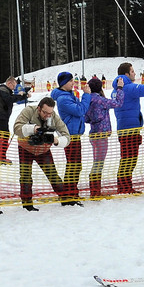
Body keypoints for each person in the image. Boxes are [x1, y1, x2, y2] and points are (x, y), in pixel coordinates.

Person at [13, 96, 70, 211]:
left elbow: (67, 136)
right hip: (26, 149)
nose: (48, 115)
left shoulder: (53, 117)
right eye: (45, 112)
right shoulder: (29, 111)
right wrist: (33, 129)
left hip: (43, 150)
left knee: (53, 175)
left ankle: (66, 199)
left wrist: (56, 140)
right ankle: (27, 204)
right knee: (25, 177)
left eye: (50, 113)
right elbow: (16, 128)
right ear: (39, 108)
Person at [112, 63, 144, 194]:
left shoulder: (117, 89)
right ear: (126, 74)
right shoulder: (128, 88)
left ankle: (124, 186)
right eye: (132, 71)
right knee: (129, 159)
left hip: (125, 128)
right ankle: (124, 187)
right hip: (130, 129)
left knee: (127, 159)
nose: (134, 73)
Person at [51, 71, 91, 205]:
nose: (73, 83)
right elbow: (80, 110)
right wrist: (87, 96)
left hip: (75, 134)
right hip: (70, 135)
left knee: (75, 165)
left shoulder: (68, 95)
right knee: (73, 165)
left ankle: (72, 193)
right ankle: (69, 195)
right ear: (63, 84)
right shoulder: (63, 99)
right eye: (70, 81)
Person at [84, 77, 124, 198]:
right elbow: (118, 103)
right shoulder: (101, 100)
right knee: (98, 163)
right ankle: (95, 191)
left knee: (97, 162)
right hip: (101, 135)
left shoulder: (87, 100)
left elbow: (85, 118)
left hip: (93, 133)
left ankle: (95, 190)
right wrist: (120, 88)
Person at [0, 76, 28, 165]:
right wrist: (21, 95)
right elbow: (10, 99)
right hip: (0, 117)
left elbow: (13, 97)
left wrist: (24, 95)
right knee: (4, 136)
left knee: (3, 137)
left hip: (1, 117)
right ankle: (0, 157)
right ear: (9, 83)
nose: (14, 88)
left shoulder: (6, 91)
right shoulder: (3, 90)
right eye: (14, 85)